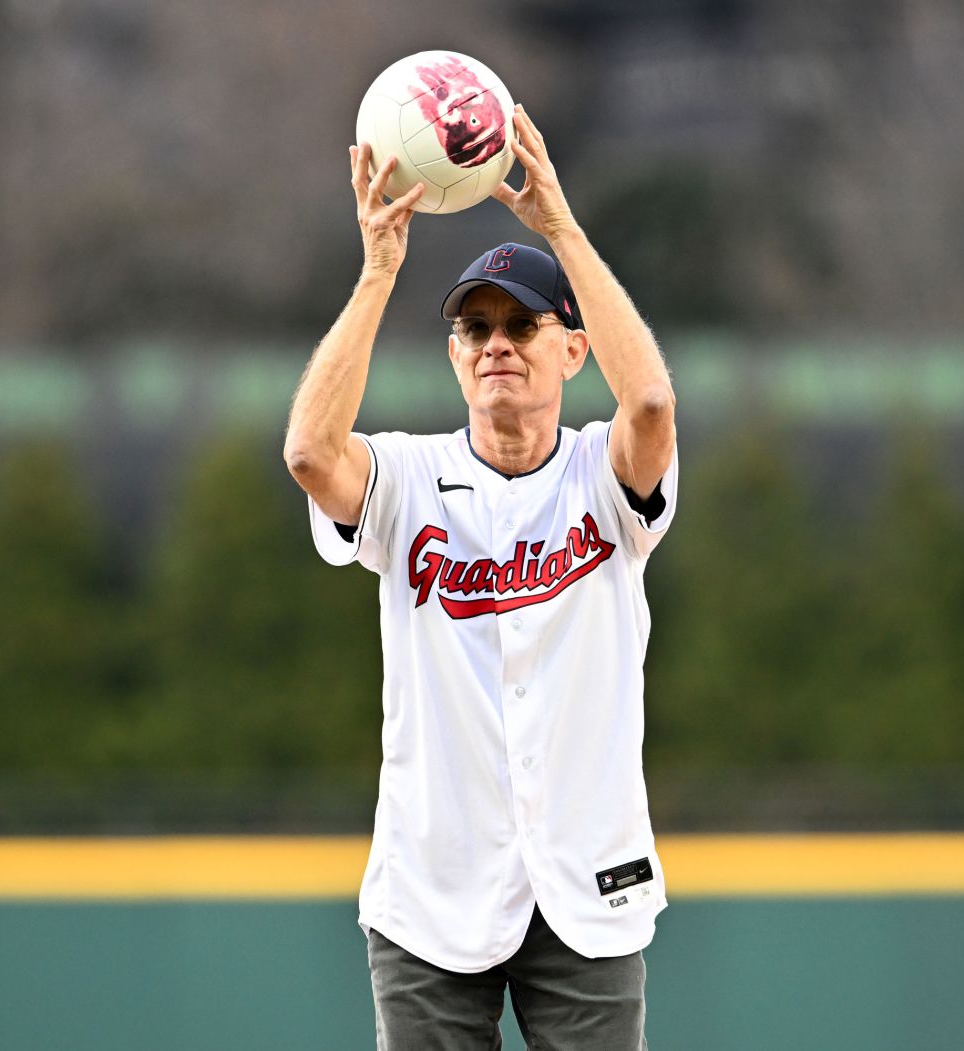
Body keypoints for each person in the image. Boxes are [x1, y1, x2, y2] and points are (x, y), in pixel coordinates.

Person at [284, 104, 677, 1050]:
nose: (497, 341)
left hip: (587, 883)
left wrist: (561, 229)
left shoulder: (602, 476)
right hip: (432, 895)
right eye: (474, 326)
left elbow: (654, 400)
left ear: (572, 350)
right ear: (455, 355)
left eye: (522, 323)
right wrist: (381, 271)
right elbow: (307, 451)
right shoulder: (407, 478)